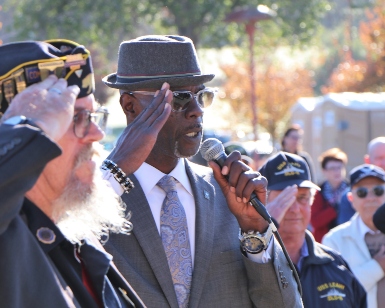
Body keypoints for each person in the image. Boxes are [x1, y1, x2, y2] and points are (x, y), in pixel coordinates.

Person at [102, 35, 302, 308]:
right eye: (181, 98)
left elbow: (285, 305)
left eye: (202, 96)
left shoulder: (230, 193)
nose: (196, 111)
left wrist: (255, 231)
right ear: (130, 106)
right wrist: (110, 176)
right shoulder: (97, 198)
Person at [0, 39, 171, 307]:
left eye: (93, 117)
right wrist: (28, 127)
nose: (97, 134)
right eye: (73, 117)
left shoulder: (77, 239)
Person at [259, 152, 367, 308]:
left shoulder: (336, 265)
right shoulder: (251, 265)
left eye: (302, 197)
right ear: (264, 203)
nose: (295, 208)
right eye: (285, 198)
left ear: (312, 201)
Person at [323, 164, 385, 308]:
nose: (371, 198)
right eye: (362, 192)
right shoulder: (334, 240)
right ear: (351, 198)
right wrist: (378, 266)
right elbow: (333, 291)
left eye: (378, 190)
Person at [339, 137, 385, 224]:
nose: (384, 163)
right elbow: (348, 232)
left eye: (379, 191)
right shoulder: (351, 195)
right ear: (367, 160)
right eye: (379, 158)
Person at [311, 148, 349, 242]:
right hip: (324, 242)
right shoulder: (318, 192)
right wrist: (335, 207)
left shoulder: (351, 190)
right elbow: (315, 221)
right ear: (324, 171)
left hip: (348, 240)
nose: (337, 171)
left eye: (340, 167)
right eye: (332, 168)